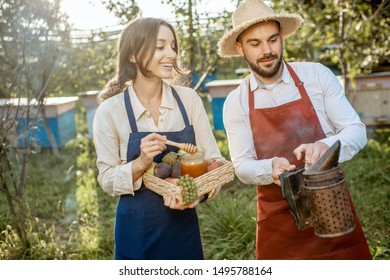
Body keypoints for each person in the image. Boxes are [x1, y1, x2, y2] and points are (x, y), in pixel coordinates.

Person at [218, 0, 372, 260]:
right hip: (276, 220)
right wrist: (271, 167)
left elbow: (356, 130)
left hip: (332, 208)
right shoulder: (237, 101)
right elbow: (242, 165)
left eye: (273, 40)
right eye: (255, 43)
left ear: (282, 38)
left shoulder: (318, 76)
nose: (267, 50)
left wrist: (327, 146)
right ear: (240, 47)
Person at [93, 17, 223, 260]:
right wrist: (141, 163)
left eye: (173, 46)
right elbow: (106, 179)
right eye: (160, 46)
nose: (171, 54)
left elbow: (213, 161)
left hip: (183, 227)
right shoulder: (110, 111)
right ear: (133, 54)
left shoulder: (189, 100)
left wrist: (198, 194)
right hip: (135, 228)